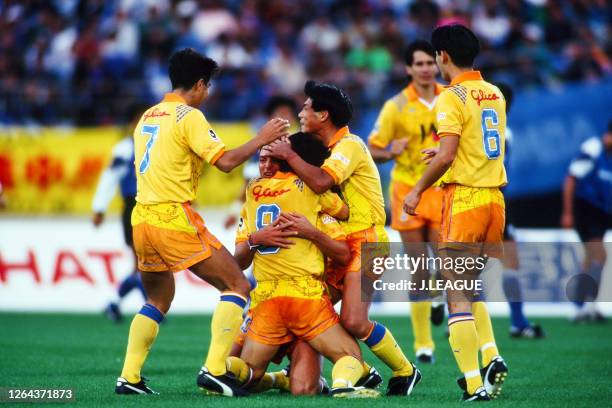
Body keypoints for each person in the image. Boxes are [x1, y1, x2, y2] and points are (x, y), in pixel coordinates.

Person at [115, 48, 289, 396]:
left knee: (158, 299)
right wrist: (261, 139)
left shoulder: (148, 115)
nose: (207, 93)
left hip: (141, 218)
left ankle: (129, 377)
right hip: (173, 217)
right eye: (207, 86)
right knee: (237, 286)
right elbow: (224, 162)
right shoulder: (188, 116)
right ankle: (214, 369)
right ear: (198, 84)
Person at [268, 81, 421, 396]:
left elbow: (323, 182)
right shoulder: (330, 149)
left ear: (323, 115)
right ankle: (339, 373)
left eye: (306, 107)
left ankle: (405, 371)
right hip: (340, 243)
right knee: (310, 309)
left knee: (352, 320)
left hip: (368, 242)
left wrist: (288, 154)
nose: (300, 112)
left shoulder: (349, 145)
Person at [403, 24, 508, 401]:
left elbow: (448, 154)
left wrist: (417, 189)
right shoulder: (494, 93)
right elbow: (474, 146)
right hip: (495, 201)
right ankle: (491, 354)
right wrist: (447, 155)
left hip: (464, 201)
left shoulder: (451, 96)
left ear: (441, 56)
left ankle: (475, 384)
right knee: (469, 286)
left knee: (456, 295)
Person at [230, 132, 379, 398]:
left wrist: (254, 239)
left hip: (267, 301)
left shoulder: (252, 194)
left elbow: (237, 262)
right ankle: (345, 386)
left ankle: (226, 371)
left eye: (269, 161)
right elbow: (345, 220)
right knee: (351, 357)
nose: (264, 167)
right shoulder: (309, 189)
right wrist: (315, 227)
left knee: (247, 374)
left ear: (283, 160)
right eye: (261, 160)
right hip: (304, 297)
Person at [368, 39, 445, 364]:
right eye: (420, 64)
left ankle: (441, 299)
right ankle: (423, 343)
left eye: (431, 62)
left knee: (446, 264)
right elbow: (372, 148)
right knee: (418, 266)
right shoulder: (396, 106)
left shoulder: (450, 99)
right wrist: (390, 152)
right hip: (406, 189)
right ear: (408, 69)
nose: (426, 69)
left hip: (442, 189)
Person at [495, 83, 544, 338]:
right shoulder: (504, 132)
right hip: (494, 200)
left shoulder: (479, 129)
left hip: (479, 201)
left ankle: (457, 317)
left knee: (469, 265)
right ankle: (517, 320)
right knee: (507, 260)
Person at [92, 105, 147, 323]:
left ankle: (116, 302)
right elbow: (109, 178)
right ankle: (149, 308)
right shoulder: (125, 148)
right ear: (134, 123)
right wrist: (99, 208)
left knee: (144, 261)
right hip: (134, 206)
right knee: (142, 260)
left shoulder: (156, 147)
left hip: (153, 206)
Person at [562, 120, 612, 322]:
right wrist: (568, 212)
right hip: (586, 208)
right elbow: (571, 179)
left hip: (602, 211)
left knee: (591, 259)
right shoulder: (593, 149)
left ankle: (585, 306)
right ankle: (581, 306)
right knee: (598, 255)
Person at [224, 95, 299, 230]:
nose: (286, 118)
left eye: (289, 114)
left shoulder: (302, 143)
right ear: (271, 118)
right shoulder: (261, 149)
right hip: (270, 210)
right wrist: (234, 212)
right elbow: (249, 184)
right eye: (281, 114)